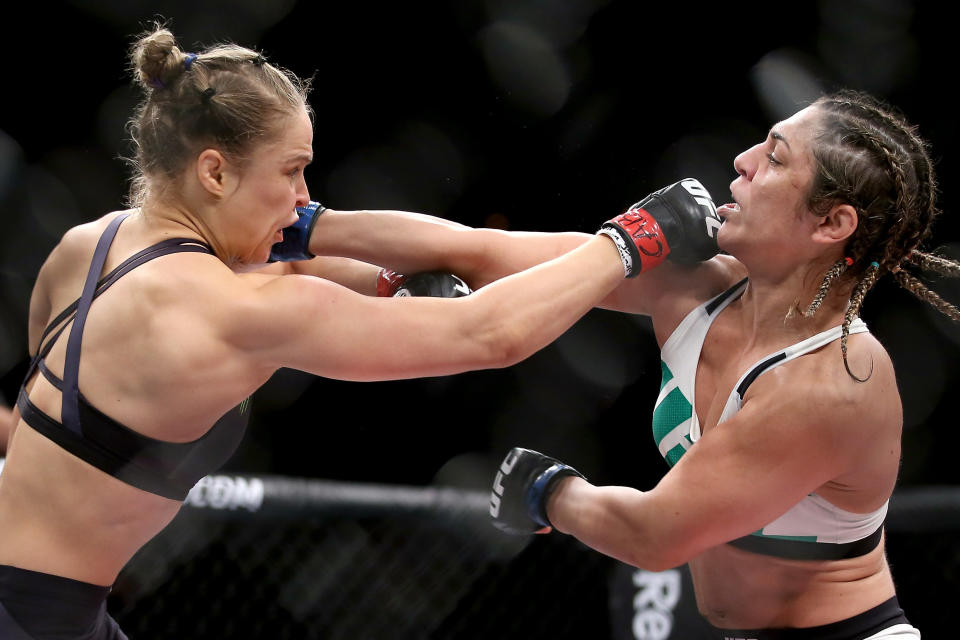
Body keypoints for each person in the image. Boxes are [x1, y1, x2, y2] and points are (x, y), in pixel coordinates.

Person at [0, 25, 721, 640]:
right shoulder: (234, 311)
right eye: (292, 173)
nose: (305, 199)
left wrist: (362, 264)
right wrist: (633, 238)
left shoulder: (86, 247)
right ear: (215, 173)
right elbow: (489, 335)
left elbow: (458, 255)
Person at [309, 91, 949, 638]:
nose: (742, 161)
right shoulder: (697, 288)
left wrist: (549, 493)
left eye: (776, 158)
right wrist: (308, 228)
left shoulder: (834, 382)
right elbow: (481, 250)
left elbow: (655, 536)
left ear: (831, 223)